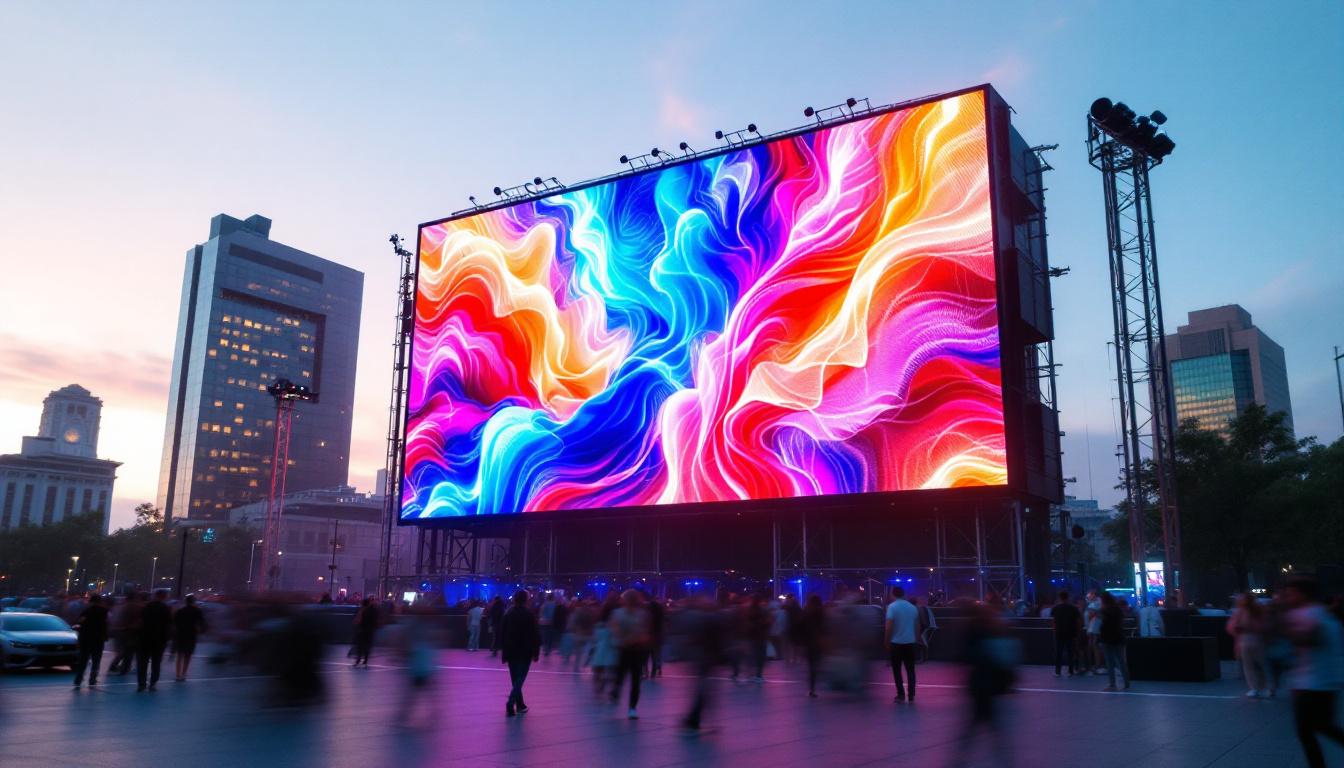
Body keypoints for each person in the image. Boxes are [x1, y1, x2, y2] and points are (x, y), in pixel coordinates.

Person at [1281, 577, 1344, 768]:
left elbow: (1310, 640)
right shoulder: (1320, 613)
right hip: (1317, 680)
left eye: (1290, 593)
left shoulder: (1313, 615)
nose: (1287, 597)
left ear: (1303, 594)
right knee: (1318, 727)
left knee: (1309, 729)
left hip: (1316, 682)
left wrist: (1283, 629)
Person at [609, 589, 652, 719]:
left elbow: (614, 630)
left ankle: (617, 694)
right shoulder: (642, 614)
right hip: (636, 650)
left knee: (621, 676)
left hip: (626, 648)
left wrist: (625, 639)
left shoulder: (618, 613)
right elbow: (646, 633)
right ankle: (632, 708)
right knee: (634, 680)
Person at [500, 589, 540, 717]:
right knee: (520, 678)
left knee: (515, 679)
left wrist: (503, 649)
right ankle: (511, 703)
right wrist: (536, 651)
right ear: (525, 599)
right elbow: (534, 634)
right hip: (525, 650)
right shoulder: (529, 614)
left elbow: (502, 632)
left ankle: (521, 704)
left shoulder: (508, 613)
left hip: (511, 650)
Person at [1227, 592, 1271, 697]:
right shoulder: (1249, 611)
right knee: (1254, 665)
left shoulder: (1252, 611)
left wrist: (1239, 628)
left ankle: (1259, 687)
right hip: (1249, 639)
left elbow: (1232, 626)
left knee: (1255, 665)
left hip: (1250, 639)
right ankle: (1258, 687)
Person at [885, 586, 919, 702]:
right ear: (903, 594)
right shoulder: (912, 607)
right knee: (910, 669)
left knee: (897, 670)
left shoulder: (892, 607)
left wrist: (886, 642)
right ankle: (911, 695)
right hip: (910, 643)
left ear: (893, 594)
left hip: (896, 644)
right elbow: (917, 626)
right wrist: (917, 640)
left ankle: (900, 695)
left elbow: (889, 626)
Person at [137, 590, 172, 692]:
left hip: (145, 638)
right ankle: (153, 683)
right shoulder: (166, 609)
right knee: (156, 663)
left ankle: (141, 684)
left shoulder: (146, 607)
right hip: (159, 639)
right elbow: (168, 625)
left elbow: (141, 621)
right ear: (164, 597)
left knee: (142, 663)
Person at [72, 593, 109, 688]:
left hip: (86, 637)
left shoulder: (86, 611)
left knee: (83, 659)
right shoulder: (104, 611)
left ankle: (78, 679)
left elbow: (80, 621)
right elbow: (105, 624)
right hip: (98, 638)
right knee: (96, 660)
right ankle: (92, 679)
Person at [1098, 592, 1129, 691]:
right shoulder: (1118, 610)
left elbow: (1104, 626)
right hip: (1119, 637)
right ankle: (1126, 682)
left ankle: (1112, 684)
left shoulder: (1104, 611)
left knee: (1110, 662)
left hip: (1107, 639)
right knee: (1121, 661)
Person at [171, 594, 207, 682]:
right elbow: (202, 623)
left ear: (186, 601)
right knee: (188, 655)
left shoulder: (180, 611)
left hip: (181, 634)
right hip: (191, 635)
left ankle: (177, 674)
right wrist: (200, 631)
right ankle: (183, 674)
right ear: (193, 601)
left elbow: (174, 623)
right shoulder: (197, 611)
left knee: (180, 655)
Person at [799, 594, 827, 698]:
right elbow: (824, 627)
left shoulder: (805, 613)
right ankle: (817, 684)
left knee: (811, 667)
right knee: (817, 664)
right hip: (818, 642)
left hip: (808, 643)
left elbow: (801, 628)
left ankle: (812, 688)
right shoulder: (821, 613)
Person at [108, 592, 141, 676]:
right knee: (128, 652)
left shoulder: (120, 607)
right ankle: (123, 668)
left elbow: (114, 620)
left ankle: (118, 667)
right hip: (129, 632)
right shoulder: (136, 607)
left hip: (119, 632)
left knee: (122, 652)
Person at [1049, 591, 1080, 677]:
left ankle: (1058, 671)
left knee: (1059, 652)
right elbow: (1077, 621)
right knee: (1071, 652)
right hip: (1071, 632)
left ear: (1060, 598)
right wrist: (1077, 632)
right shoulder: (1073, 608)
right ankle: (1071, 670)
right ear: (1068, 597)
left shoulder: (1056, 608)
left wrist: (1054, 630)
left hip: (1059, 633)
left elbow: (1053, 621)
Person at [745, 593, 771, 683]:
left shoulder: (749, 611)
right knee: (760, 657)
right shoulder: (763, 610)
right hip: (761, 636)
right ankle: (759, 675)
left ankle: (751, 675)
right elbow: (767, 622)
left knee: (753, 656)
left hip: (752, 637)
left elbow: (747, 623)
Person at [352, 597, 380, 667]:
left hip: (362, 631)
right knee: (367, 646)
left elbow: (357, 621)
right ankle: (365, 661)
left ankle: (358, 660)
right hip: (369, 631)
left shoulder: (361, 611)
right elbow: (374, 621)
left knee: (360, 647)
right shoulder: (373, 611)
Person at [1085, 590, 1104, 674]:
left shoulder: (1097, 603)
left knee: (1096, 647)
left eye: (1090, 595)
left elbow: (1092, 614)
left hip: (1095, 629)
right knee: (1093, 647)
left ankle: (1098, 665)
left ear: (1094, 595)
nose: (1088, 597)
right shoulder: (1092, 603)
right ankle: (1095, 665)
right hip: (1092, 629)